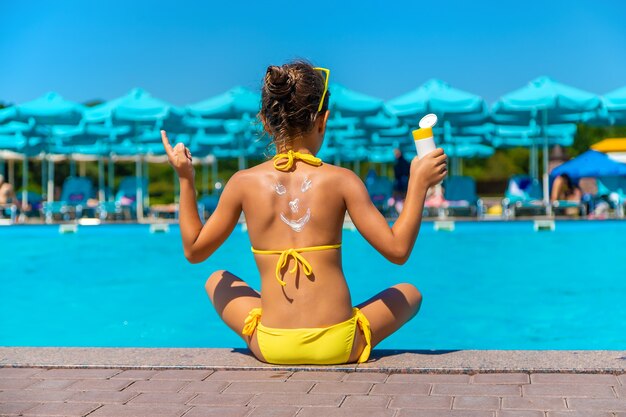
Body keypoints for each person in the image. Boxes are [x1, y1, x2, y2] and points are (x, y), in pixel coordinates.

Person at [160, 61, 447, 365]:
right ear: (323, 120)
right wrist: (418, 184)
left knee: (216, 278)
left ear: (266, 123)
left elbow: (193, 250)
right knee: (409, 293)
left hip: (273, 346)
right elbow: (398, 250)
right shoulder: (342, 180)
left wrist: (185, 178)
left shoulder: (242, 183)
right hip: (339, 344)